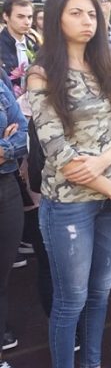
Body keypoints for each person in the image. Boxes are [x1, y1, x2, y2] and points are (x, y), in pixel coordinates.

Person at [26, 0, 111, 368]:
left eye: (92, 13)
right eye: (76, 13)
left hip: (110, 202)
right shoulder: (42, 75)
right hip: (69, 206)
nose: (87, 20)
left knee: (99, 295)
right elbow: (58, 153)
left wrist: (102, 162)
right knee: (70, 300)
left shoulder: (105, 69)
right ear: (56, 18)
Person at [0, 79, 28, 368]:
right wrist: (7, 144)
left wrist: (4, 149)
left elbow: (23, 134)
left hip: (5, 188)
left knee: (2, 279)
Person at [0, 0, 37, 96]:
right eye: (20, 17)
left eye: (29, 17)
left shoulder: (35, 46)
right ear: (6, 16)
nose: (27, 22)